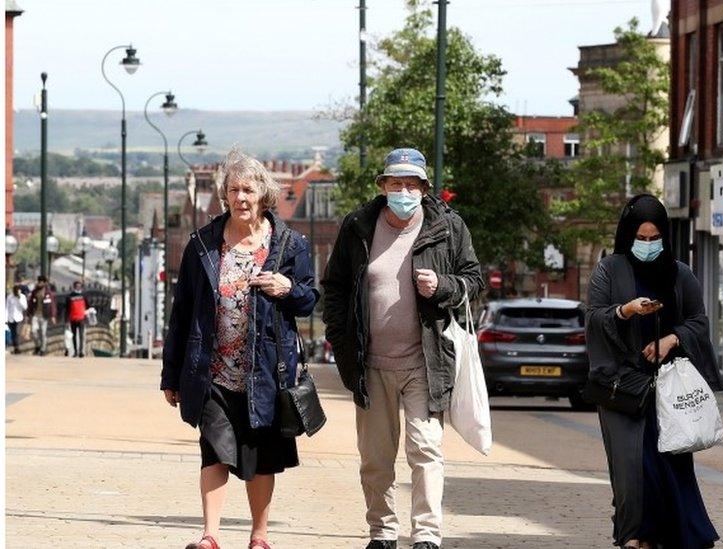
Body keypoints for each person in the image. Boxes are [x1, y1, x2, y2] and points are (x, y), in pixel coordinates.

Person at [322, 148, 484, 549]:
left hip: (425, 361)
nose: (404, 191)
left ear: (425, 188)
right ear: (382, 186)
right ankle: (382, 532)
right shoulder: (358, 226)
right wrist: (341, 342)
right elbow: (336, 288)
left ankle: (427, 536)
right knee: (376, 460)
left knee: (425, 450)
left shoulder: (448, 226)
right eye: (396, 183)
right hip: (370, 361)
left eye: (412, 184)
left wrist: (443, 286)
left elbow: (474, 280)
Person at [161, 150, 318, 549]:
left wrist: (287, 288)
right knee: (213, 449)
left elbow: (308, 300)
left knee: (262, 456)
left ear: (263, 194)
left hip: (266, 370)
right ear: (224, 195)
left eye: (249, 189)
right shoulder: (203, 244)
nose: (241, 197)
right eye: (234, 189)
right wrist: (171, 374)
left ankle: (259, 536)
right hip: (211, 368)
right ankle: (210, 535)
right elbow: (181, 313)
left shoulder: (289, 245)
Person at [585, 194, 722, 549]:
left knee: (669, 467)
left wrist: (672, 339)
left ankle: (668, 535)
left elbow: (699, 322)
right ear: (628, 235)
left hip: (668, 391)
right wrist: (625, 311)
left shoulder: (679, 274)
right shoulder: (609, 270)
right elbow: (594, 317)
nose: (647, 245)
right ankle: (635, 534)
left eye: (654, 238)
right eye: (641, 238)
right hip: (623, 387)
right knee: (632, 468)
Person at [26, 275, 57, 355]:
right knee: (34, 331)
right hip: (35, 315)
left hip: (44, 315)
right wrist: (28, 314)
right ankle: (37, 346)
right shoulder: (34, 292)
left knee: (43, 333)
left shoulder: (48, 293)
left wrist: (53, 316)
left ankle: (43, 349)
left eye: (41, 282)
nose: (39, 283)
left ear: (44, 283)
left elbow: (52, 305)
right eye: (38, 281)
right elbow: (30, 304)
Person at [67, 281, 88, 357]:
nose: (78, 287)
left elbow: (87, 305)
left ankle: (81, 351)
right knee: (74, 335)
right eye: (77, 286)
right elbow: (67, 308)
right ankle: (75, 351)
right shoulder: (70, 296)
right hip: (73, 318)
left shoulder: (84, 295)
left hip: (81, 317)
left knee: (81, 335)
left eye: (80, 286)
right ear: (74, 286)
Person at [6, 284, 28, 353]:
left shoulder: (22, 297)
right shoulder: (10, 297)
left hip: (18, 318)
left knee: (17, 332)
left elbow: (25, 307)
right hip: (11, 318)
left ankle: (17, 348)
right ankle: (15, 347)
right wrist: (5, 318)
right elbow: (7, 308)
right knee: (13, 333)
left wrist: (19, 299)